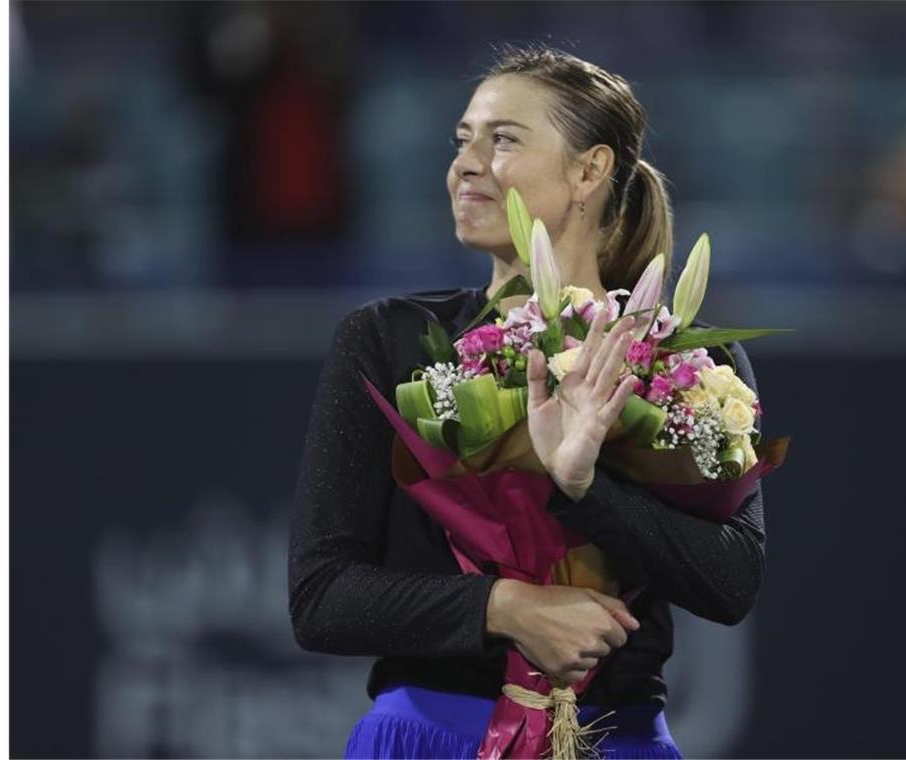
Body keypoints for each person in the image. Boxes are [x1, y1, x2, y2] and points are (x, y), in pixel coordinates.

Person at [288, 43, 767, 759]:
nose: (465, 164)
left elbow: (730, 581)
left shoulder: (691, 362)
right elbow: (321, 598)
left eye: (502, 139)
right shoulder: (389, 341)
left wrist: (585, 487)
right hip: (430, 740)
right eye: (462, 141)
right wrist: (507, 608)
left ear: (589, 169)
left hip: (618, 740)